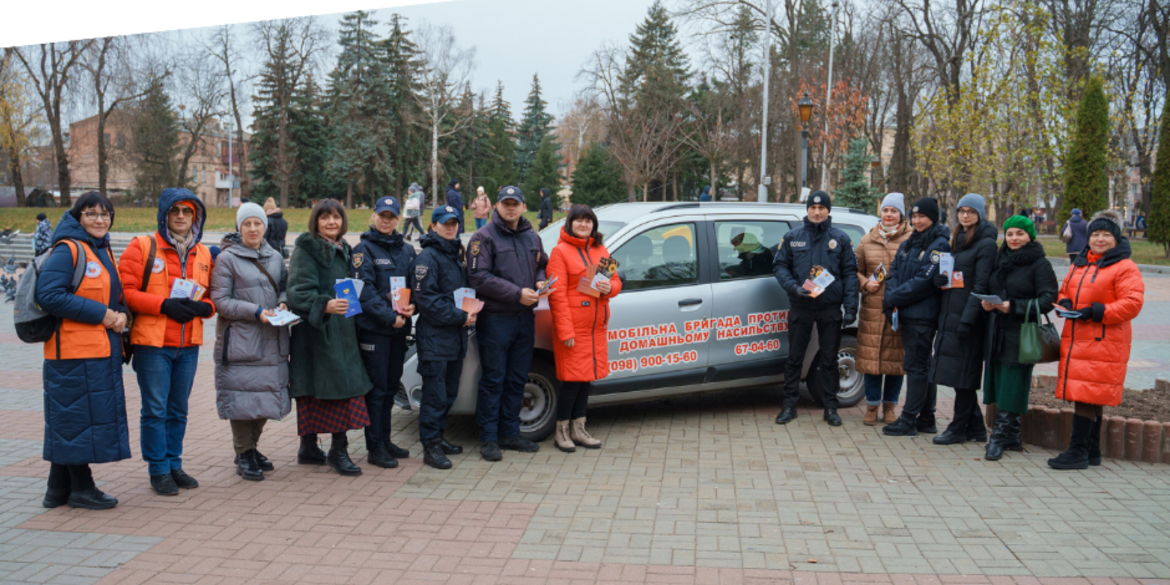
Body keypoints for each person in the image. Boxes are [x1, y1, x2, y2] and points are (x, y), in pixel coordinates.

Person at [36, 192, 130, 510]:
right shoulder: (69, 249)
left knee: (73, 421)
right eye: (91, 214)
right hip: (73, 353)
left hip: (95, 350)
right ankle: (82, 489)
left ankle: (57, 489)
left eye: (106, 214)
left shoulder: (100, 249)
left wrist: (122, 314)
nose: (100, 220)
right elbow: (49, 295)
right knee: (77, 420)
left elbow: (112, 294)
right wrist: (103, 315)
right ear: (79, 217)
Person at [119, 188, 215, 496]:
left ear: (195, 217)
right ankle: (158, 468)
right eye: (176, 211)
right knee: (155, 409)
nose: (182, 217)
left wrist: (206, 308)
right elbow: (126, 292)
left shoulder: (203, 253)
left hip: (188, 344)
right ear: (164, 215)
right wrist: (163, 305)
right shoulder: (142, 246)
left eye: (188, 212)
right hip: (153, 344)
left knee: (178, 409)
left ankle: (174, 463)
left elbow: (212, 297)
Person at [1048, 210, 1144, 469]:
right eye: (1096, 234)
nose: (1100, 239)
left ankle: (1077, 452)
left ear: (1116, 238)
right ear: (1088, 238)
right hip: (1079, 338)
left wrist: (1098, 311)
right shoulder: (1081, 262)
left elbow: (1132, 304)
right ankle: (1092, 451)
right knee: (1091, 394)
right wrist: (1064, 302)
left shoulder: (1125, 266)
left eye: (1106, 235)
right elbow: (1064, 290)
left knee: (1087, 395)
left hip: (1104, 340)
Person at [287, 200, 372, 476]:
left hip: (340, 330)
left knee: (335, 387)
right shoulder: (306, 249)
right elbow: (298, 292)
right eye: (325, 218)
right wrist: (325, 305)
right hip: (317, 332)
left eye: (336, 217)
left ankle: (308, 449)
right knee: (335, 389)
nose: (332, 222)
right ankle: (337, 451)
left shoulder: (343, 248)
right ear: (316, 221)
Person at [209, 203, 291, 481]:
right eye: (247, 224)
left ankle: (250, 447)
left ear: (265, 226)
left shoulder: (275, 257)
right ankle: (244, 452)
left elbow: (284, 288)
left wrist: (282, 304)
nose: (253, 229)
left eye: (257, 223)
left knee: (265, 394)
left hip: (272, 337)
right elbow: (220, 302)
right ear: (239, 228)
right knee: (242, 396)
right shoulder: (227, 259)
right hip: (243, 341)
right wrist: (256, 312)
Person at [467, 186, 548, 461]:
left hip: (524, 319)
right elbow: (479, 277)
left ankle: (510, 433)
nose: (510, 208)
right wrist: (517, 293)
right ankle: (489, 438)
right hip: (495, 320)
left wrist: (539, 279)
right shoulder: (483, 237)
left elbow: (541, 264)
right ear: (496, 207)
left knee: (516, 379)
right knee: (493, 380)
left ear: (524, 206)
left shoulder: (532, 236)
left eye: (515, 204)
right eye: (506, 204)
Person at [772, 190, 859, 427]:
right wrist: (792, 288)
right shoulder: (792, 237)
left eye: (822, 209)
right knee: (794, 359)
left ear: (828, 211)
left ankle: (831, 407)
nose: (817, 212)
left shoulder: (840, 239)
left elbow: (850, 274)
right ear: (808, 210)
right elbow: (780, 266)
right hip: (801, 306)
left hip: (829, 308)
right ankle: (789, 406)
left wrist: (851, 306)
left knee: (829, 359)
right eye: (813, 208)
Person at [980, 215, 1057, 461]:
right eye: (1010, 233)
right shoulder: (1001, 259)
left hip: (1021, 334)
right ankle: (1013, 436)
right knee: (1000, 382)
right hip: (997, 332)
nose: (1014, 238)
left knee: (1012, 384)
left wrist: (1012, 306)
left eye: (1020, 234)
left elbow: (1048, 301)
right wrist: (988, 303)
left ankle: (998, 438)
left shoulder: (1039, 264)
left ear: (1030, 236)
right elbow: (994, 289)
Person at [546, 205, 622, 452]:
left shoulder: (600, 249)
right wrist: (565, 331)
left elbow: (616, 281)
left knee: (586, 380)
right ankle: (562, 431)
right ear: (570, 224)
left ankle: (580, 429)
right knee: (571, 381)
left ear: (593, 225)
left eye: (588, 220)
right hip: (574, 329)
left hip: (595, 328)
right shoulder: (560, 252)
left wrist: (608, 289)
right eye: (578, 220)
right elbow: (556, 296)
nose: (583, 224)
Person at [351, 196, 416, 469]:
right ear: (374, 216)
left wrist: (414, 305)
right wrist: (391, 318)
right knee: (376, 391)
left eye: (391, 216)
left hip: (399, 331)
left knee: (390, 388)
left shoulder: (407, 250)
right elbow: (363, 293)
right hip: (375, 331)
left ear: (398, 219)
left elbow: (415, 285)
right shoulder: (362, 250)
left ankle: (385, 440)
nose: (386, 220)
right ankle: (374, 447)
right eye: (382, 215)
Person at [411, 205, 475, 469]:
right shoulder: (427, 258)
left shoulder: (453, 254)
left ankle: (438, 437)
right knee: (434, 396)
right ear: (433, 226)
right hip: (435, 339)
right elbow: (426, 300)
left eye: (454, 223)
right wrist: (460, 316)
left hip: (454, 339)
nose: (450, 227)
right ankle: (431, 446)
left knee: (448, 394)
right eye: (445, 223)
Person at [930, 193, 997, 444]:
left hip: (968, 319)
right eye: (961, 211)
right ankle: (976, 428)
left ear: (980, 214)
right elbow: (955, 277)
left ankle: (958, 428)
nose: (965, 215)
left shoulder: (986, 244)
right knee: (959, 376)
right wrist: (940, 281)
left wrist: (968, 320)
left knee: (964, 377)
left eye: (970, 211)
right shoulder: (958, 240)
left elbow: (980, 284)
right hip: (951, 313)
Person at [881, 197, 950, 437]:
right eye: (915, 216)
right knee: (922, 366)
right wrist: (891, 295)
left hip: (923, 315)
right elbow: (894, 273)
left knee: (916, 366)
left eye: (922, 217)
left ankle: (909, 419)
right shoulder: (911, 242)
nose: (917, 221)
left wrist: (893, 298)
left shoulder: (939, 244)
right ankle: (927, 417)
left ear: (933, 218)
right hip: (907, 313)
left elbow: (923, 282)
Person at [855, 193, 912, 425]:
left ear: (901, 215)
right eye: (886, 210)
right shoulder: (867, 240)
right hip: (873, 309)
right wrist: (865, 283)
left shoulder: (911, 239)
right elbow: (855, 270)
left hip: (899, 309)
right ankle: (871, 406)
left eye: (894, 211)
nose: (889, 215)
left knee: (895, 361)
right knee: (871, 360)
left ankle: (890, 406)